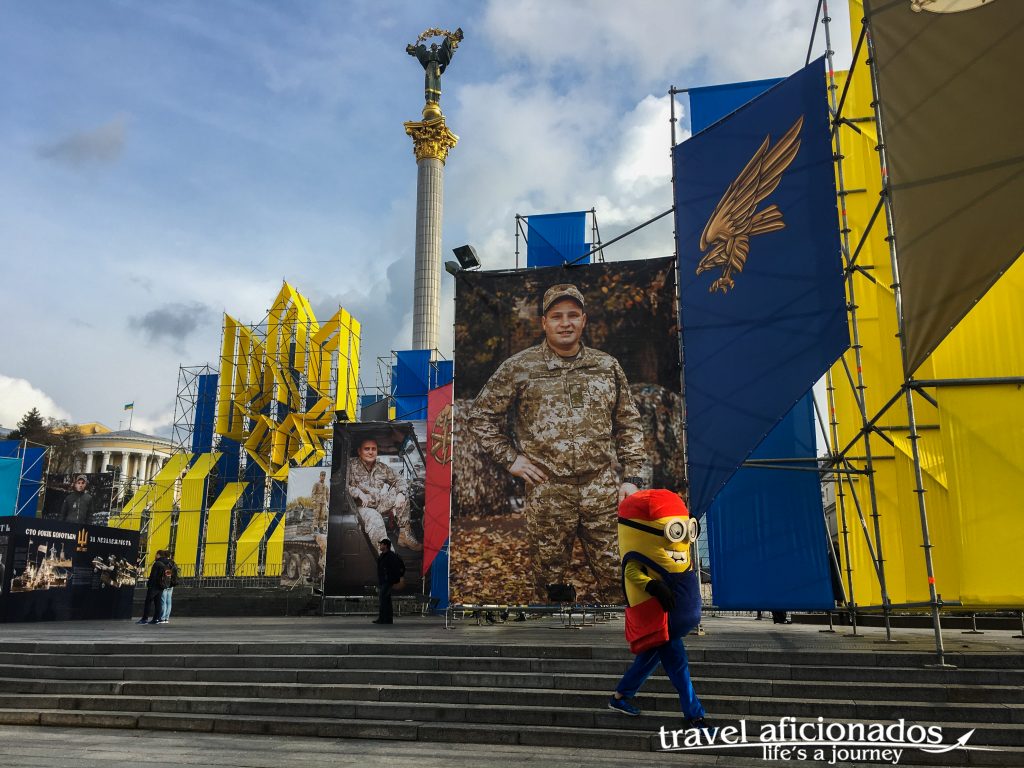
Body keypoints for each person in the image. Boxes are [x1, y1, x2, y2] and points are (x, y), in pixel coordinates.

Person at [468, 283, 645, 603]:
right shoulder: (519, 367)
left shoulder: (606, 366)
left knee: (618, 578)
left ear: (584, 321)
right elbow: (480, 418)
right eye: (557, 316)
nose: (566, 323)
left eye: (573, 315)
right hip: (548, 490)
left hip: (602, 489)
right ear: (544, 323)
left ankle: (622, 644)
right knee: (551, 584)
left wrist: (632, 478)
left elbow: (628, 422)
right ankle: (555, 643)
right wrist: (511, 460)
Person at [607, 490, 708, 727]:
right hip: (661, 620)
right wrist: (654, 586)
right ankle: (695, 715)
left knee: (648, 660)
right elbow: (631, 572)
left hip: (666, 622)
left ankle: (619, 697)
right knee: (679, 668)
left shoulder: (678, 555)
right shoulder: (638, 554)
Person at [348, 438, 422, 552]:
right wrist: (357, 492)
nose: (370, 452)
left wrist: (401, 494)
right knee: (376, 520)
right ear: (359, 451)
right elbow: (341, 485)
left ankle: (404, 536)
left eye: (373, 449)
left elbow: (399, 479)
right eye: (366, 449)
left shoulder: (381, 467)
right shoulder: (351, 465)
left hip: (378, 503)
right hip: (360, 507)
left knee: (403, 494)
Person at [406, 28, 463, 106]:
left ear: (437, 47)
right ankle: (429, 98)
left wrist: (449, 38)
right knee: (429, 81)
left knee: (436, 81)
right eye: (432, 45)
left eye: (435, 45)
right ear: (431, 47)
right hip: (429, 68)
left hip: (436, 67)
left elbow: (445, 48)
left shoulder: (440, 53)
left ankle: (436, 99)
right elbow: (420, 51)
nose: (433, 46)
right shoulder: (427, 54)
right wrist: (417, 48)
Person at [373, 538, 405, 625]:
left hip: (388, 581)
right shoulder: (383, 556)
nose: (380, 546)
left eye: (381, 544)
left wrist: (391, 579)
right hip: (383, 581)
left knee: (383, 598)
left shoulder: (391, 556)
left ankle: (384, 618)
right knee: (385, 599)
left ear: (386, 545)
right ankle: (386, 619)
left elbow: (395, 568)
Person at [137, 549, 169, 625]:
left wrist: (149, 584)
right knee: (158, 603)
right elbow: (168, 575)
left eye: (156, 554)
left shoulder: (157, 563)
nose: (155, 556)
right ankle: (156, 619)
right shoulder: (167, 563)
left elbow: (153, 576)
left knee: (148, 602)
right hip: (161, 586)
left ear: (158, 555)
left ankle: (145, 619)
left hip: (154, 586)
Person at [157, 550, 179, 624]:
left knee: (163, 601)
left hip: (166, 584)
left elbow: (167, 574)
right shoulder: (173, 563)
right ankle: (166, 618)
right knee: (169, 601)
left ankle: (162, 618)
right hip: (172, 584)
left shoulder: (166, 563)